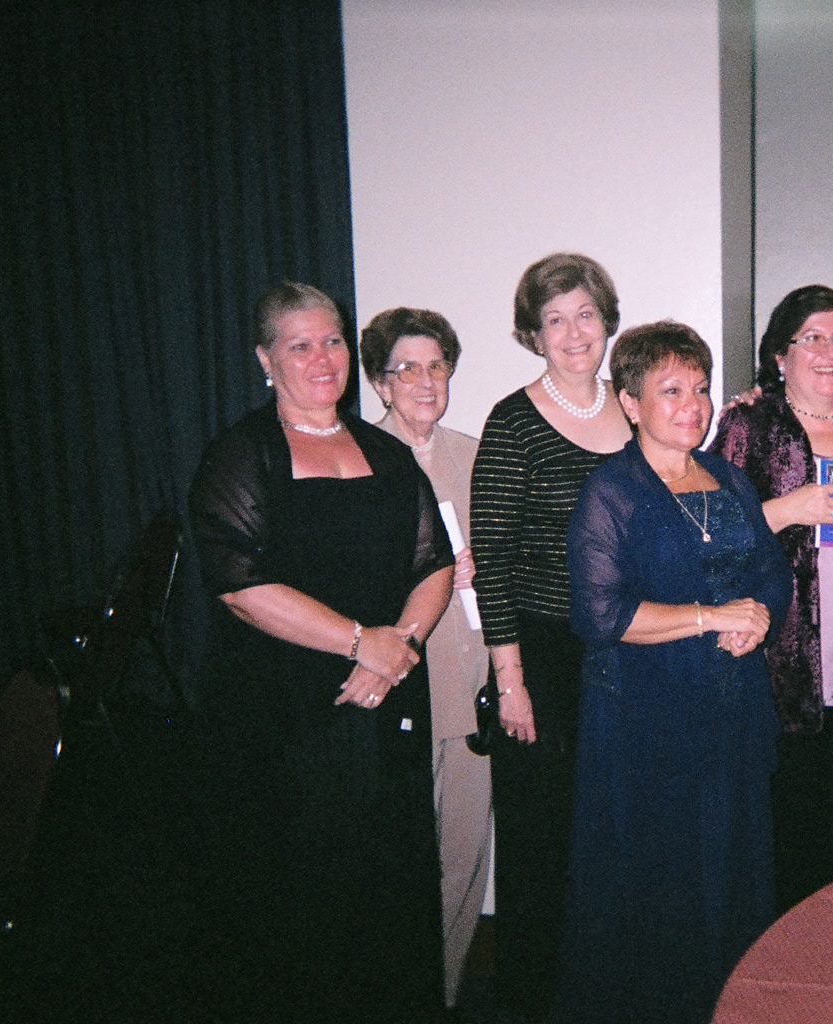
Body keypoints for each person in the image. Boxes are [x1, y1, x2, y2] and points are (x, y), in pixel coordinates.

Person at [188, 283, 452, 1022]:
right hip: (280, 718)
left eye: (332, 340)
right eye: (300, 345)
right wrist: (361, 642)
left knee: (385, 885)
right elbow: (240, 586)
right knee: (297, 894)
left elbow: (432, 563)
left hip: (383, 702)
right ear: (265, 359)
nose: (322, 358)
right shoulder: (241, 455)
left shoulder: (387, 453)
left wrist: (397, 647)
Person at [555, 321, 794, 1024]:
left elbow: (771, 574)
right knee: (658, 877)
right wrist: (712, 617)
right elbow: (600, 615)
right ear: (630, 403)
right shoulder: (611, 491)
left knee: (730, 863)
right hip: (645, 717)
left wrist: (758, 618)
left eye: (700, 388)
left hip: (731, 706)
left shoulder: (729, 477)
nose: (694, 405)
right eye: (672, 391)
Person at [710, 285, 833, 911]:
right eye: (813, 338)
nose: (830, 351)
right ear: (781, 354)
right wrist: (785, 509)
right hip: (786, 653)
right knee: (796, 823)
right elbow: (708, 531)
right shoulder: (749, 424)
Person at [469, 253, 633, 1021]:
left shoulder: (634, 409)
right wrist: (512, 680)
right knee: (541, 845)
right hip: (541, 654)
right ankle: (534, 1002)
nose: (573, 333)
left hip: (627, 652)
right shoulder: (514, 422)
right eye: (555, 319)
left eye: (585, 315)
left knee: (615, 833)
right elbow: (493, 560)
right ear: (533, 334)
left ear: (607, 322)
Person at [362, 306, 489, 1011]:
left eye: (436, 365)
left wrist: (483, 569)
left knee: (465, 852)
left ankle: (446, 994)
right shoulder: (357, 460)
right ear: (380, 384)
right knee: (399, 857)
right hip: (398, 686)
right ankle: (400, 992)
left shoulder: (473, 455)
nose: (424, 380)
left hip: (470, 679)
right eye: (406, 368)